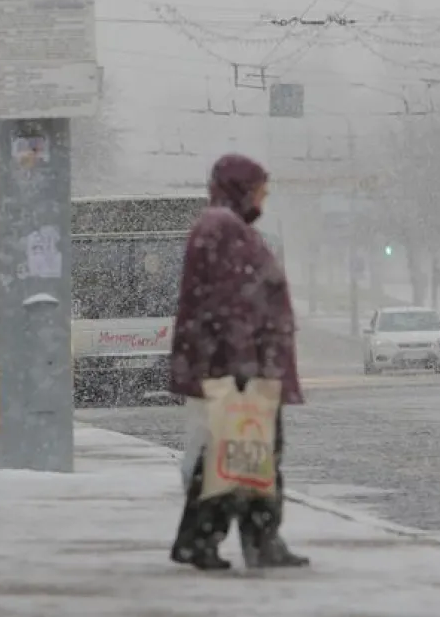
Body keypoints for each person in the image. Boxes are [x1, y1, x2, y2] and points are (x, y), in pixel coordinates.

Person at [167, 154, 309, 571]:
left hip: (240, 362)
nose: (265, 195)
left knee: (236, 454)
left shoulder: (225, 226)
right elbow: (231, 304)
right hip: (244, 366)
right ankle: (254, 539)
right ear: (240, 187)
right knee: (250, 452)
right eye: (260, 186)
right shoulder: (224, 229)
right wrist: (244, 364)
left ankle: (217, 539)